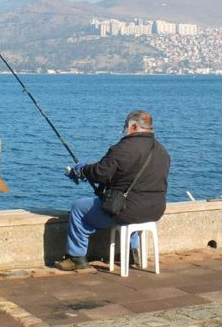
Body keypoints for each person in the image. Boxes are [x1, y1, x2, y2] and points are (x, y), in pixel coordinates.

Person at [54, 110, 171, 271]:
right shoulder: (162, 151)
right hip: (154, 211)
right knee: (134, 205)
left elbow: (100, 173)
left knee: (78, 207)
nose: (123, 129)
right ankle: (133, 250)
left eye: (125, 126)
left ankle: (76, 257)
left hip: (127, 211)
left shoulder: (123, 148)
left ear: (134, 126)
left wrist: (82, 170)